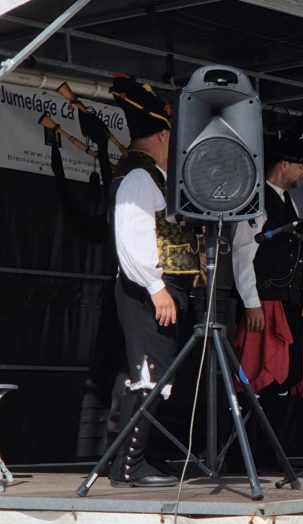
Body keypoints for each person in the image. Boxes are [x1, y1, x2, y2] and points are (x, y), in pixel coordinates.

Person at [107, 75, 189, 487]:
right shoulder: (138, 176)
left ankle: (139, 460)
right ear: (161, 134)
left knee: (158, 376)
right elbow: (131, 238)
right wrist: (156, 286)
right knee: (148, 375)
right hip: (144, 292)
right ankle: (128, 467)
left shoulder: (151, 175)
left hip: (157, 290)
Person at [232, 115, 303, 460]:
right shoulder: (256, 199)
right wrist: (251, 302)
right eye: (300, 166)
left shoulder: (290, 202)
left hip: (288, 302)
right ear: (284, 164)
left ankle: (274, 455)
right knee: (259, 376)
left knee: (284, 379)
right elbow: (244, 252)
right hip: (265, 301)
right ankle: (247, 457)